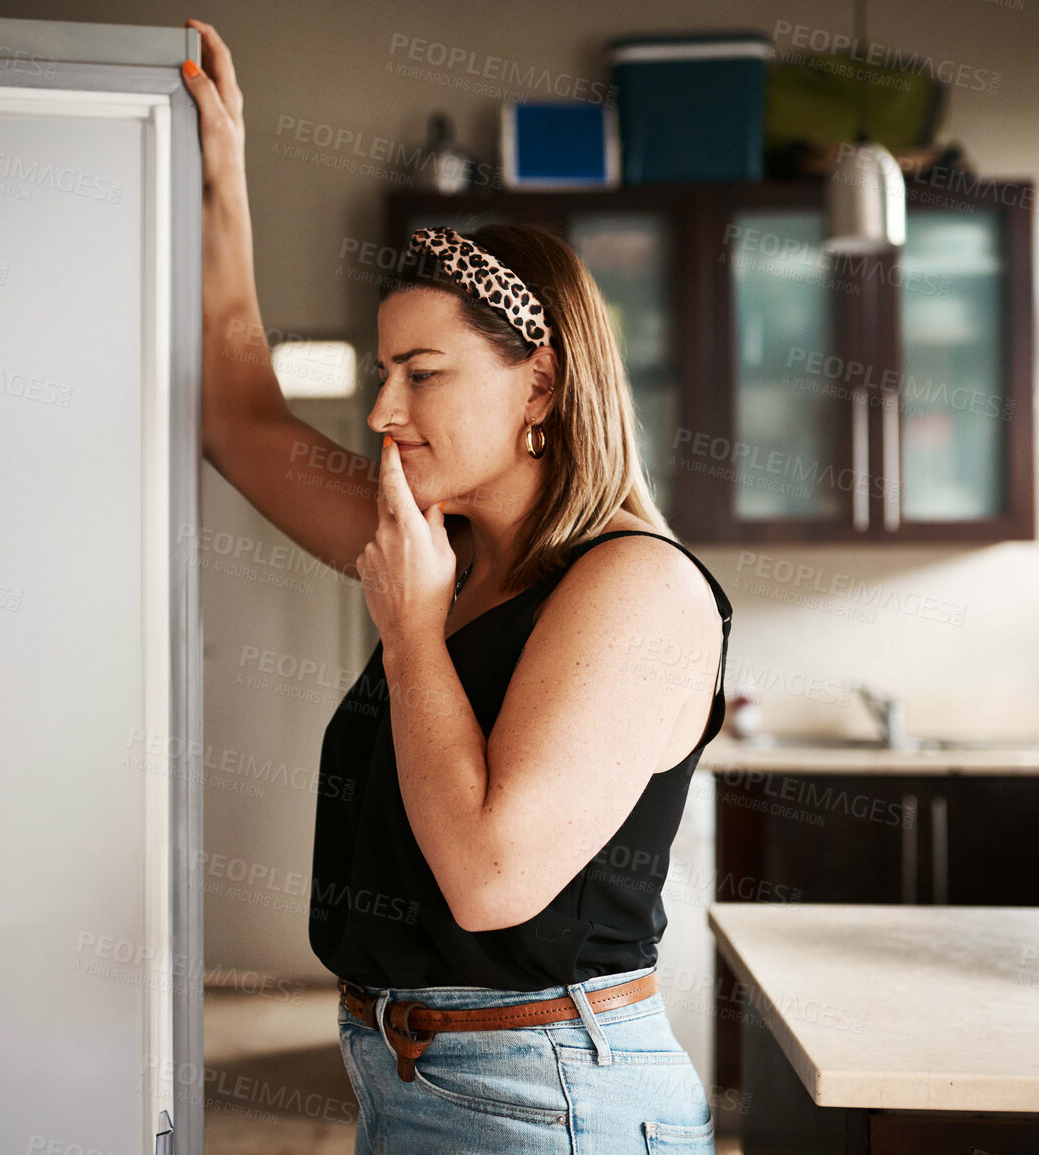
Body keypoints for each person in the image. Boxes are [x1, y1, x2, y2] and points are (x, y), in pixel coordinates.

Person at [183, 19, 732, 1153]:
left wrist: (410, 630)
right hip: (413, 1077)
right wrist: (220, 176)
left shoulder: (634, 585)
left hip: (543, 1093)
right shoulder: (453, 552)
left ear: (539, 385)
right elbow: (238, 423)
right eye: (384, 372)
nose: (383, 412)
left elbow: (489, 882)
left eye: (420, 374)